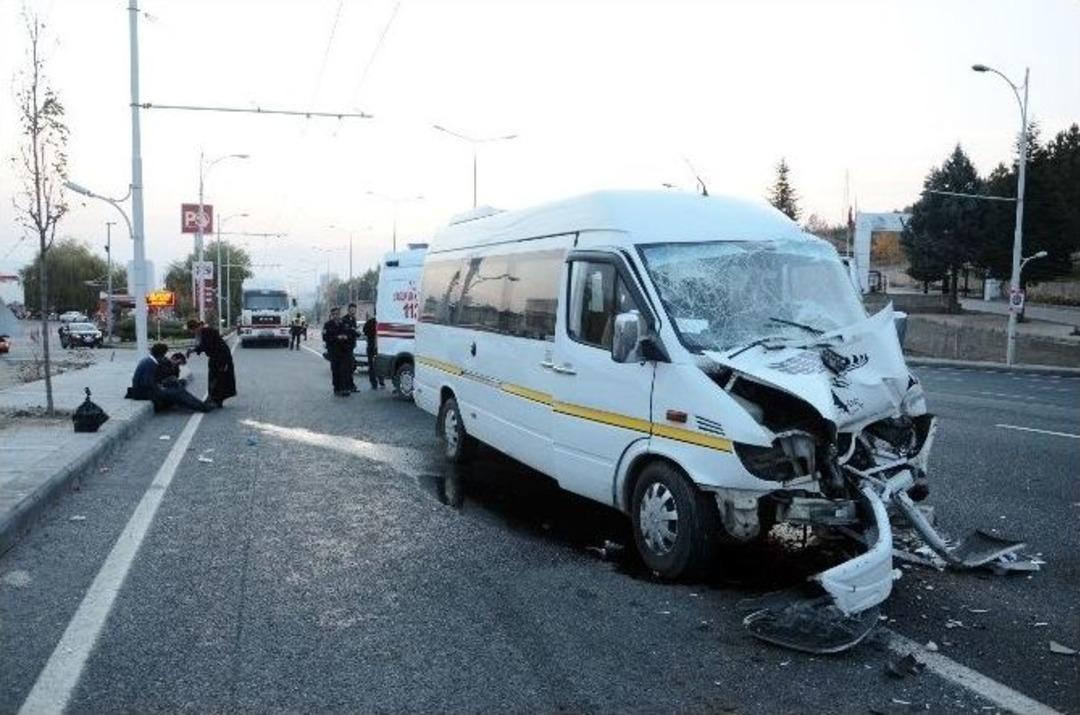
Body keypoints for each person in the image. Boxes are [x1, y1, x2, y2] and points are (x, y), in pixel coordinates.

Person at [126, 342, 209, 412]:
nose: (165, 357)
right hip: (142, 393)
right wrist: (161, 388)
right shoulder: (150, 363)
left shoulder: (149, 361)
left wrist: (161, 386)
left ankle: (201, 405)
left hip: (146, 390)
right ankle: (203, 407)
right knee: (176, 392)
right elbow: (147, 382)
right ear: (161, 354)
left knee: (177, 390)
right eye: (164, 354)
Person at [186, 319, 237, 408]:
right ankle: (216, 400)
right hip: (217, 357)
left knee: (217, 379)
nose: (193, 333)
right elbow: (206, 345)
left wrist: (193, 350)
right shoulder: (205, 331)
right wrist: (194, 350)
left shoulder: (206, 331)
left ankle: (213, 399)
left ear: (195, 328)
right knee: (218, 378)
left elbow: (206, 345)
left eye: (192, 330)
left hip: (220, 358)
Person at [322, 307, 352, 396]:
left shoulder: (345, 323)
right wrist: (336, 338)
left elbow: (351, 334)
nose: (336, 316)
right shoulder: (327, 325)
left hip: (344, 350)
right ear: (331, 315)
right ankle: (337, 388)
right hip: (334, 351)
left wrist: (347, 337)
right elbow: (325, 337)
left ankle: (344, 388)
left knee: (345, 370)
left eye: (338, 314)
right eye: (334, 314)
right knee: (336, 370)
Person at [362, 312, 385, 389]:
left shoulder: (382, 322)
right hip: (372, 347)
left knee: (379, 365)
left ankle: (380, 382)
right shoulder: (371, 322)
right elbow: (364, 331)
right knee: (372, 365)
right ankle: (374, 383)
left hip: (379, 348)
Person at [341, 303, 360, 392]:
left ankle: (350, 385)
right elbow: (347, 331)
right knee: (348, 367)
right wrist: (354, 332)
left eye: (354, 309)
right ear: (348, 310)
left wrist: (356, 333)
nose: (353, 311)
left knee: (351, 366)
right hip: (345, 346)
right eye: (352, 309)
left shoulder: (353, 319)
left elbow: (354, 330)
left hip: (351, 346)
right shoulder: (344, 319)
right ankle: (346, 386)